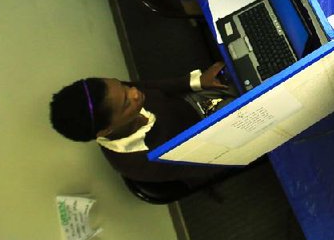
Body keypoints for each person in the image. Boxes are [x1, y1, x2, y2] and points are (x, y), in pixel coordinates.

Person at [50, 61, 234, 190]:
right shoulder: (143, 162)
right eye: (126, 103)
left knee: (240, 66)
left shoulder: (120, 96)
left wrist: (197, 82)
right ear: (106, 130)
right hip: (213, 142)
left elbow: (153, 86)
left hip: (190, 104)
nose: (135, 92)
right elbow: (210, 162)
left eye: (123, 86)